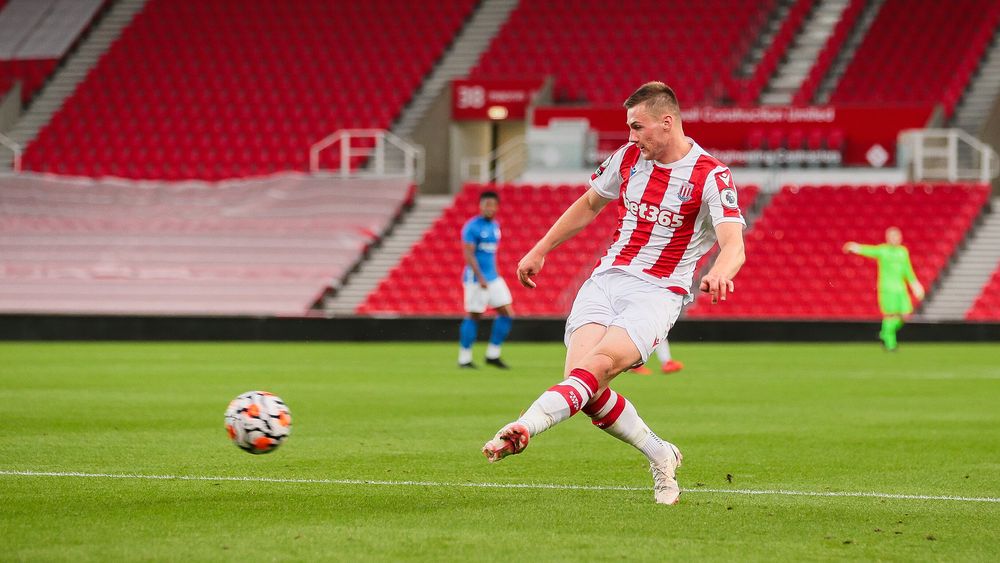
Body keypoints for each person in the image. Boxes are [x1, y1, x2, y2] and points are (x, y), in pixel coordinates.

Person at [481, 82, 746, 505]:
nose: (631, 137)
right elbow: (589, 204)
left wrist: (721, 270)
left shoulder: (710, 174)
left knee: (597, 368)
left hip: (658, 292)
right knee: (582, 385)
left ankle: (522, 427)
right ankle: (660, 453)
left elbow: (734, 241)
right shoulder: (627, 158)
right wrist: (540, 248)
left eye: (637, 127)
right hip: (606, 281)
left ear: (667, 122)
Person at [843, 227, 924, 351]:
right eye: (892, 236)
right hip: (887, 289)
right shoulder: (883, 250)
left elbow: (908, 270)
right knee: (890, 316)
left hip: (901, 289)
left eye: (897, 236)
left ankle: (885, 332)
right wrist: (855, 247)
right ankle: (891, 344)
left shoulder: (903, 251)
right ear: (887, 238)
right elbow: (868, 250)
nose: (895, 238)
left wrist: (915, 285)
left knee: (906, 314)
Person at [458, 190, 514, 369]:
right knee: (475, 315)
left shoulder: (495, 226)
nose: (488, 208)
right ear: (480, 206)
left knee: (507, 313)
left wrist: (494, 275)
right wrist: (480, 277)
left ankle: (492, 354)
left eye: (491, 205)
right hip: (476, 279)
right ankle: (464, 358)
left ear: (496, 207)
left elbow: (490, 255)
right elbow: (468, 254)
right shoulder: (472, 227)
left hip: (493, 277)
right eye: (485, 205)